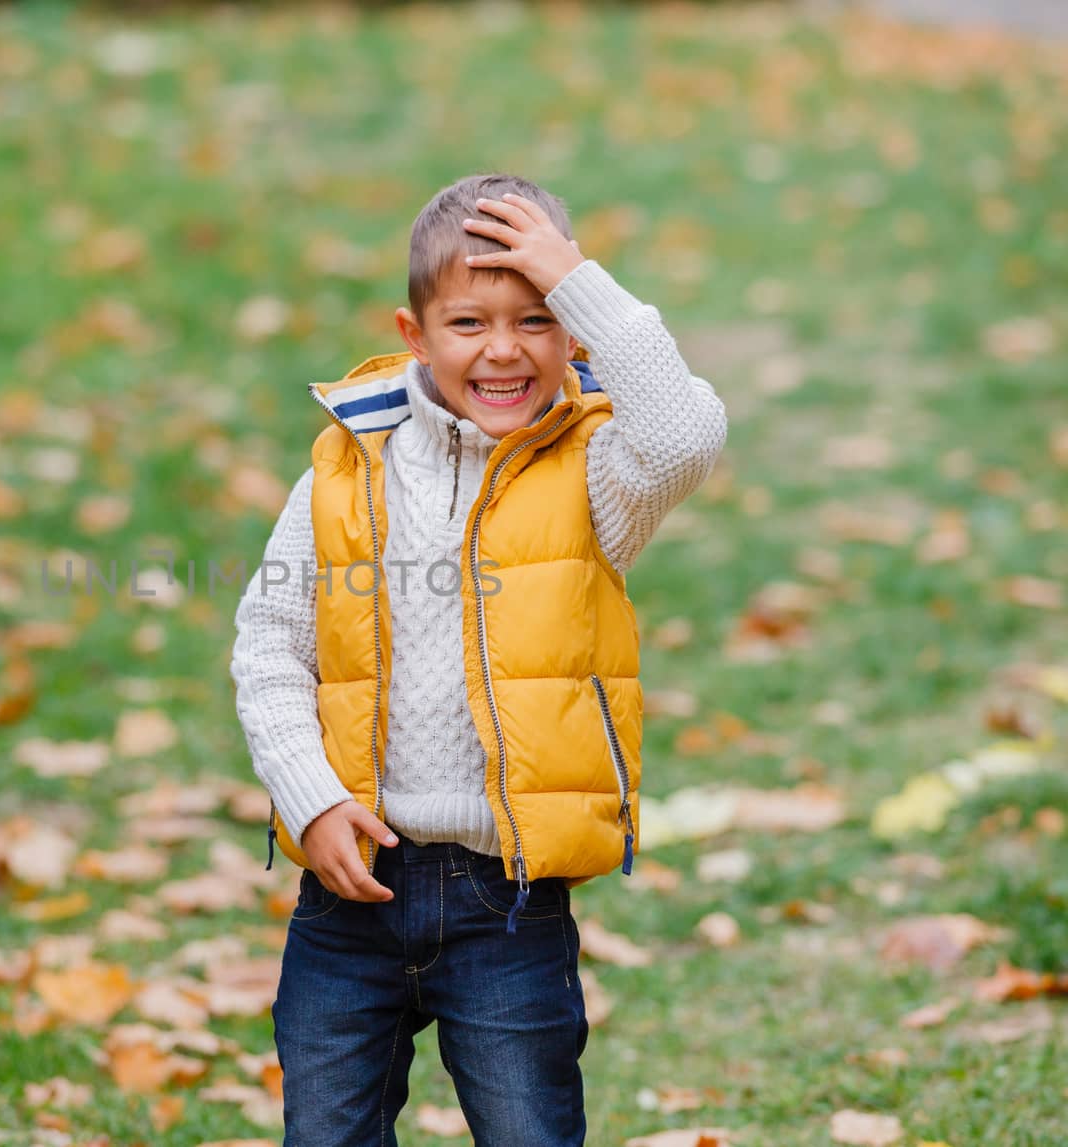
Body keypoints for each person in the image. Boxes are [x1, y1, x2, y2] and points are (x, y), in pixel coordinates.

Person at [228, 171, 729, 1146]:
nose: (504, 349)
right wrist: (308, 794)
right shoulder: (345, 467)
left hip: (508, 903)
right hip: (350, 885)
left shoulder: (595, 475)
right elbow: (269, 642)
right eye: (469, 322)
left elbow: (685, 433)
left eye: (537, 319)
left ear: (573, 332)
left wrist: (577, 278)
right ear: (412, 334)